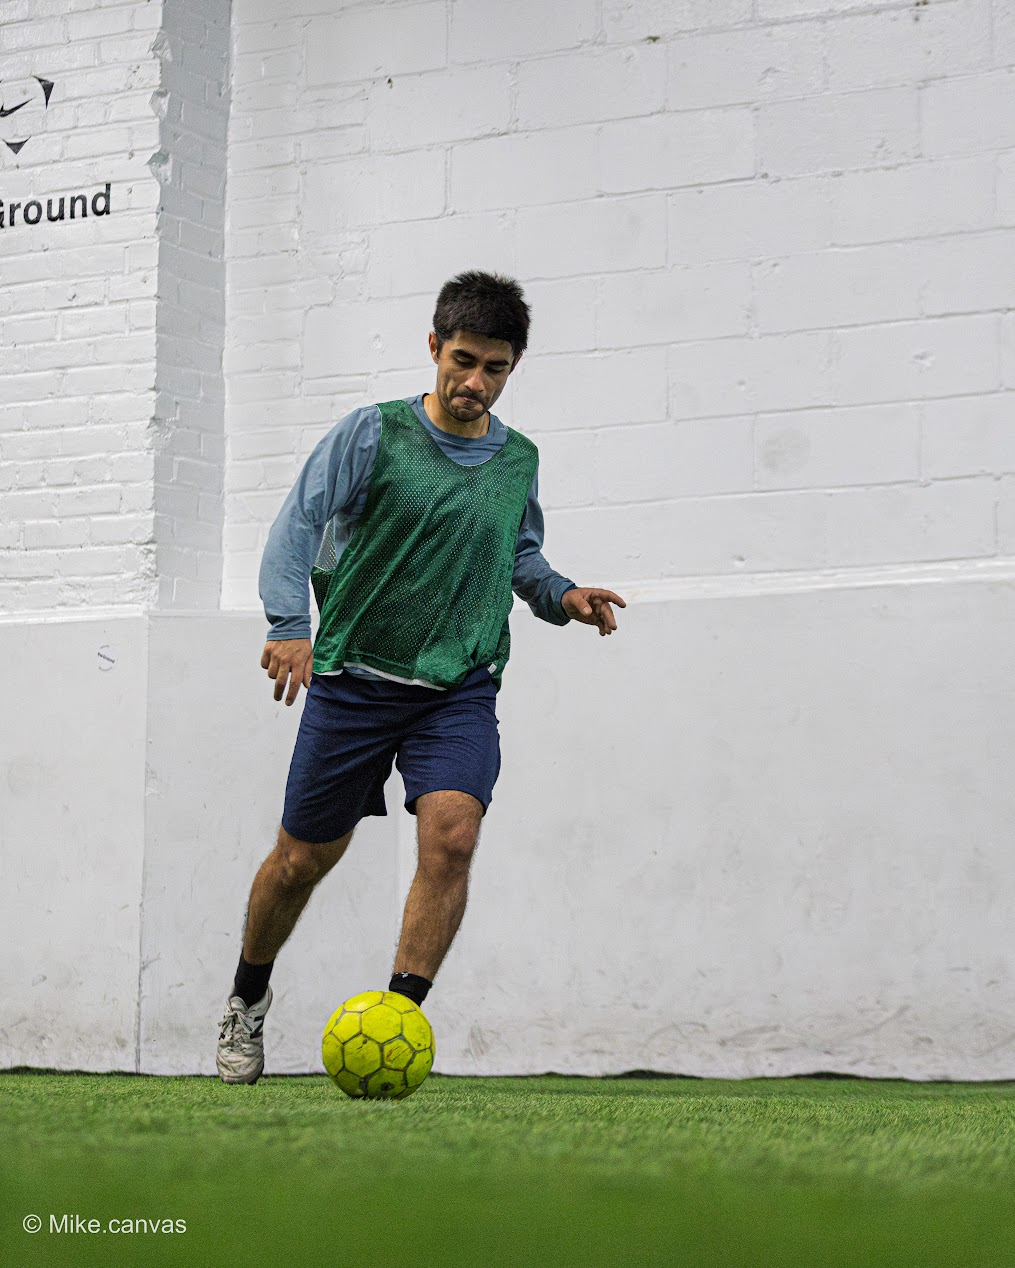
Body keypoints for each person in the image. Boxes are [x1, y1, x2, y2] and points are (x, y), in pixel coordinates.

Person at [216, 270, 625, 1083]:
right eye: (464, 360)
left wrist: (561, 596)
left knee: (452, 835)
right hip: (356, 682)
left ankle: (396, 1019)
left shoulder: (517, 462)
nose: (476, 382)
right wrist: (290, 626)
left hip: (458, 688)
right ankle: (247, 999)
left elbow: (518, 554)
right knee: (300, 863)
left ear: (513, 368)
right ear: (433, 347)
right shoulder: (372, 434)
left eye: (496, 368)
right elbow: (296, 524)